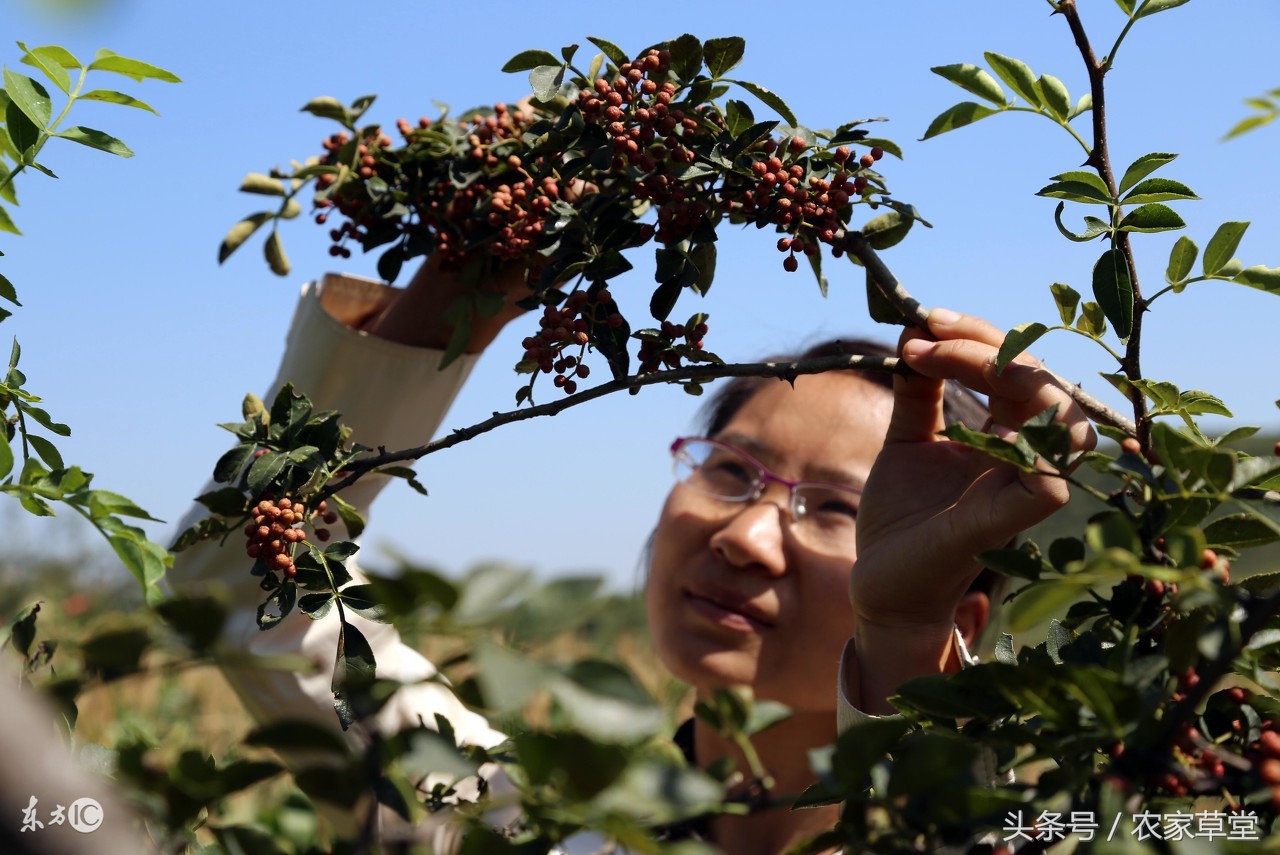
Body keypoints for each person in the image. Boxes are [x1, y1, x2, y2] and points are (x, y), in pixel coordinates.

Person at [168, 253, 1094, 853]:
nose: (744, 535)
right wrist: (445, 301)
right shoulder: (531, 831)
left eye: (837, 510)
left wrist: (901, 630)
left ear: (962, 620)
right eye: (734, 470)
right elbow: (246, 583)